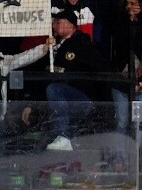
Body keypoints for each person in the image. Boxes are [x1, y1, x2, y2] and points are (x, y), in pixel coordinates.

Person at [33, 10, 117, 151]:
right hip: (64, 103)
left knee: (54, 89)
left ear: (70, 25)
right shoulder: (54, 48)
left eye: (58, 22)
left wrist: (127, 85)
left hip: (83, 100)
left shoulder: (82, 45)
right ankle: (63, 142)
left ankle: (63, 135)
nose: (53, 25)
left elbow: (104, 68)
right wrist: (32, 106)